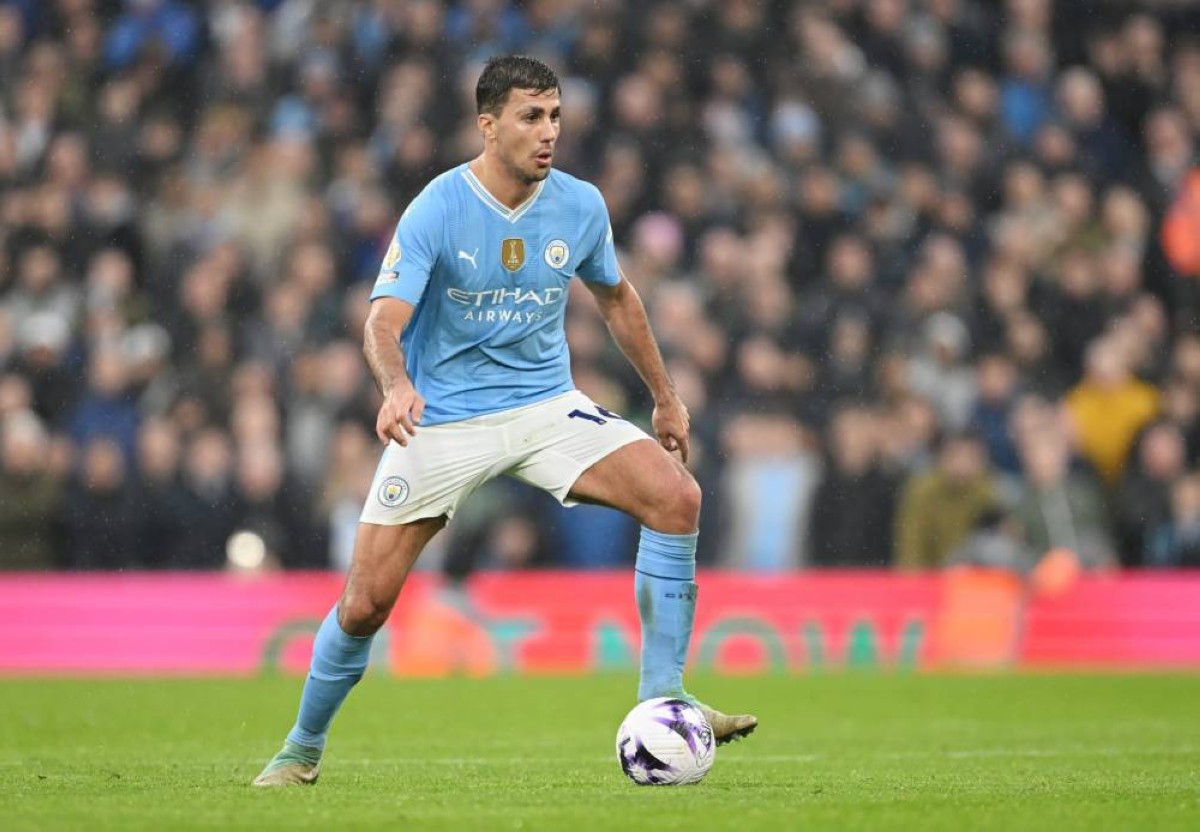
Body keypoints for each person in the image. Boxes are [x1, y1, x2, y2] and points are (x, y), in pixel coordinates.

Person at [253, 56, 756, 787]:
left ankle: (665, 698)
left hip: (547, 405)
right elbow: (382, 322)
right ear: (488, 126)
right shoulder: (437, 208)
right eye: (530, 117)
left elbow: (617, 298)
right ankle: (300, 751)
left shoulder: (580, 205)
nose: (548, 132)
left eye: (555, 116)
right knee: (364, 604)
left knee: (677, 496)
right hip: (445, 420)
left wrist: (665, 396)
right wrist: (396, 386)